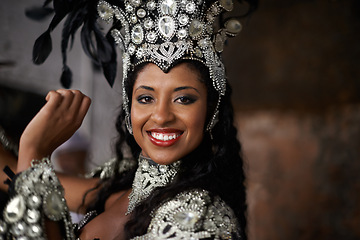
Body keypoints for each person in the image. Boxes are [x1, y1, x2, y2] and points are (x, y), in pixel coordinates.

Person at [1, 0, 257, 239]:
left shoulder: (197, 217)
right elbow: (11, 175)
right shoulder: (119, 187)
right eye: (146, 98)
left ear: (211, 110)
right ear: (128, 105)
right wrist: (31, 152)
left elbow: (27, 183)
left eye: (183, 99)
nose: (161, 116)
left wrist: (33, 149)